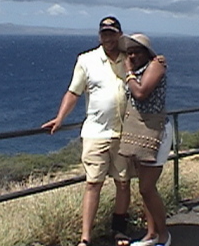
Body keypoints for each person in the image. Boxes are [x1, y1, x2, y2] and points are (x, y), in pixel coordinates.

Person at [41, 16, 133, 246]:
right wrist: (60, 118)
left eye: (112, 33)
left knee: (123, 183)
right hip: (96, 132)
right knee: (93, 183)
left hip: (124, 133)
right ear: (99, 35)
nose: (108, 37)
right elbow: (73, 92)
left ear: (119, 35)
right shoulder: (87, 60)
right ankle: (85, 238)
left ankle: (119, 230)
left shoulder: (129, 59)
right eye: (104, 33)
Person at [118, 33, 172, 246]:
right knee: (145, 187)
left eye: (137, 51)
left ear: (147, 53)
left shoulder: (156, 66)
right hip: (141, 132)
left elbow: (141, 93)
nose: (132, 55)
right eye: (130, 52)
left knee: (147, 188)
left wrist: (129, 72)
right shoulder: (141, 69)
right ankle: (151, 234)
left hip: (155, 132)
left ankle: (164, 235)